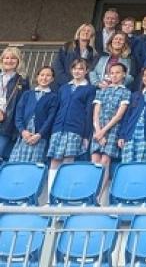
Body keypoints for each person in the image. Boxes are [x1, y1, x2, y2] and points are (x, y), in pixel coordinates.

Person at [47, 59, 96, 192]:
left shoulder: (90, 89)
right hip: (58, 128)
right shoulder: (64, 88)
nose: (77, 71)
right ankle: (51, 195)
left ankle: (63, 193)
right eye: (75, 68)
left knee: (68, 161)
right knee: (55, 160)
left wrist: (86, 135)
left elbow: (88, 113)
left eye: (81, 69)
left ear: (86, 71)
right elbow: (57, 108)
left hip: (75, 129)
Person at [90, 63, 131, 191]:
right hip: (98, 129)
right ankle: (90, 193)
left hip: (112, 129)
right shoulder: (102, 91)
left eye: (118, 72)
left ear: (124, 74)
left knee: (105, 161)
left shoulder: (126, 92)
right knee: (95, 161)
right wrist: (98, 131)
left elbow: (119, 115)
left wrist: (103, 131)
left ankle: (99, 197)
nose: (114, 75)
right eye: (112, 73)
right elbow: (96, 113)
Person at [8, 66, 58, 163]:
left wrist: (39, 135)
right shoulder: (27, 94)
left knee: (34, 165)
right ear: (37, 77)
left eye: (48, 75)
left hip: (39, 137)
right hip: (24, 135)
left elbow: (51, 118)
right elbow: (18, 114)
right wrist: (22, 131)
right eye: (42, 75)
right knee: (16, 163)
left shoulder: (53, 97)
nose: (44, 78)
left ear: (52, 79)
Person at [118, 66, 146, 164]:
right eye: (145, 75)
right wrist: (122, 136)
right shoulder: (135, 95)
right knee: (126, 164)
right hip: (131, 135)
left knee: (141, 164)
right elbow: (127, 117)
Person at [0, 47, 29, 160]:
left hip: (8, 124)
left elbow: (23, 105)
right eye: (6, 58)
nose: (9, 60)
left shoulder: (22, 81)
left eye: (13, 58)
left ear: (18, 61)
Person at [53, 23, 97, 88]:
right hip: (63, 84)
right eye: (83, 30)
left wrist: (82, 83)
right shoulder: (67, 47)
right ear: (79, 33)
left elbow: (90, 71)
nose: (86, 32)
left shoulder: (93, 53)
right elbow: (57, 66)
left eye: (88, 31)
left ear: (92, 35)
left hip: (82, 86)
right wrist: (67, 82)